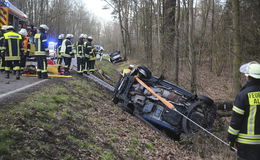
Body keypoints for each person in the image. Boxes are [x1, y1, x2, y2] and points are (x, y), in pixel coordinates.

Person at [227, 61, 260, 160]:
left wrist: (230, 139)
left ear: (248, 77)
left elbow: (236, 121)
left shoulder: (243, 95)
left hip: (246, 146)